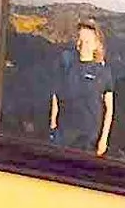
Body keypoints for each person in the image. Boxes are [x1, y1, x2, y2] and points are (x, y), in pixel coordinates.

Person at [48, 17, 116, 157]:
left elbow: (109, 108)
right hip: (64, 135)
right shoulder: (66, 62)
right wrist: (53, 124)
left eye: (87, 41)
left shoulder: (103, 72)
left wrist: (103, 139)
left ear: (96, 44)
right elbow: (56, 93)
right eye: (80, 39)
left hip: (89, 140)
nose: (82, 44)